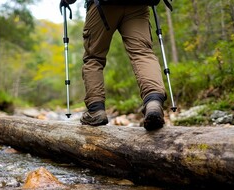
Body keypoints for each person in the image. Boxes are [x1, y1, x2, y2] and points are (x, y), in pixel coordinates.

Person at [60, 0, 167, 131]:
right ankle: (153, 102)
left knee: (94, 58)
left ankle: (96, 111)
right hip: (138, 5)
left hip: (102, 7)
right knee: (142, 53)